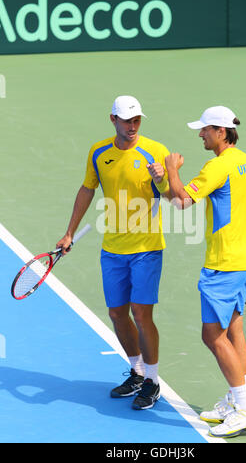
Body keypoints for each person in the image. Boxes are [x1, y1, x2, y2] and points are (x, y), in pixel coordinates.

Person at [56, 95, 170, 410]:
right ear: (113, 120)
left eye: (137, 120)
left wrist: (161, 178)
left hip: (147, 248)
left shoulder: (155, 151)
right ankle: (136, 371)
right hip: (113, 249)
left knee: (141, 313)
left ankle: (153, 381)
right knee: (117, 314)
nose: (132, 126)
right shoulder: (99, 152)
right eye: (126, 120)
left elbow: (173, 194)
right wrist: (69, 232)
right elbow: (87, 188)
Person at [164, 106, 246, 438]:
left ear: (222, 132)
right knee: (235, 331)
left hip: (222, 265)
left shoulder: (217, 166)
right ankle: (236, 401)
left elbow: (180, 201)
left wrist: (171, 169)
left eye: (205, 129)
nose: (200, 134)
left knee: (212, 336)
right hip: (245, 259)